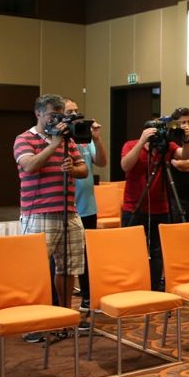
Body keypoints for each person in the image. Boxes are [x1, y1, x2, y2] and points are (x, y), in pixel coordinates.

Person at [13, 94, 90, 341]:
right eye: (52, 115)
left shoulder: (68, 140)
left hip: (69, 212)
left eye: (60, 115)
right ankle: (33, 323)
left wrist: (73, 168)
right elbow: (29, 166)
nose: (56, 120)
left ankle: (63, 318)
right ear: (38, 113)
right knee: (35, 271)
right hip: (38, 213)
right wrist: (54, 144)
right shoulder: (24, 139)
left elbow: (84, 169)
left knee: (68, 268)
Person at [120, 116, 189, 290]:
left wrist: (186, 140)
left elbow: (185, 155)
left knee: (157, 251)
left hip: (161, 207)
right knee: (132, 249)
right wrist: (141, 142)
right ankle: (133, 286)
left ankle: (154, 286)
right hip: (134, 206)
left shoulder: (166, 146)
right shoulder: (131, 145)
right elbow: (125, 165)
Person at [64, 98, 107, 313]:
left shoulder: (84, 138)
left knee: (87, 255)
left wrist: (97, 139)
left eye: (76, 111)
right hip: (67, 207)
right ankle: (60, 305)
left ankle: (88, 298)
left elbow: (102, 162)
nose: (75, 115)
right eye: (70, 112)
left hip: (87, 206)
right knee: (66, 256)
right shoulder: (59, 139)